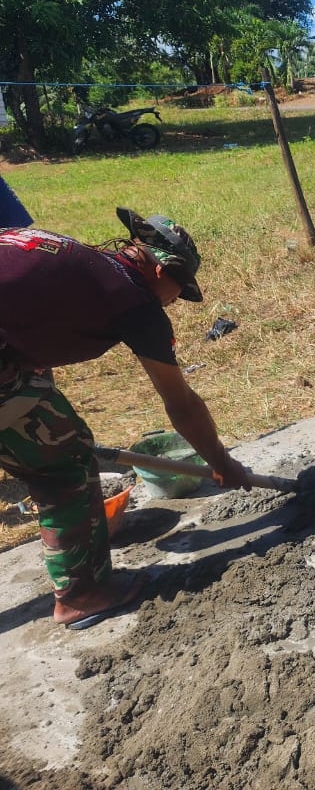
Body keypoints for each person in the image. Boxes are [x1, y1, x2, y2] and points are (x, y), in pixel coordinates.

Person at [0, 208, 251, 629]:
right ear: (161, 270)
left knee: (38, 405)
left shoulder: (78, 259)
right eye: (178, 292)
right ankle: (83, 595)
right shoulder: (134, 301)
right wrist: (221, 462)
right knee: (63, 463)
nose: (173, 302)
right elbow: (181, 403)